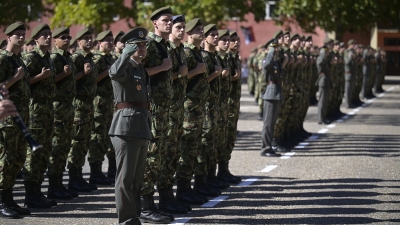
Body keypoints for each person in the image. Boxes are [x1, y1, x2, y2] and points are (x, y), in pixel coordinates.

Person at [109, 27, 152, 225]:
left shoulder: (139, 69)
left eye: (144, 45)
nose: (142, 48)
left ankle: (135, 215)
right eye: (138, 45)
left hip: (141, 126)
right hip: (126, 128)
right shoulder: (123, 66)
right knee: (125, 179)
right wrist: (124, 54)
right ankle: (127, 219)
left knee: (136, 179)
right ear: (128, 47)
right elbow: (114, 73)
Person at [139, 6, 174, 224]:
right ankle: (145, 206)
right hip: (152, 109)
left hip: (163, 109)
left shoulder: (164, 45)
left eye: (171, 20)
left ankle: (158, 202)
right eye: (165, 20)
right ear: (155, 23)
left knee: (159, 156)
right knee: (150, 157)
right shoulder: (149, 44)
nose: (169, 23)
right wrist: (161, 67)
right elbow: (134, 72)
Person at [22, 23, 57, 208]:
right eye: (44, 35)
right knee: (34, 154)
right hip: (35, 111)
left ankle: (37, 192)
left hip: (48, 110)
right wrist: (39, 77)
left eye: (50, 34)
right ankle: (30, 195)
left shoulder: (48, 58)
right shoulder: (31, 57)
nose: (49, 37)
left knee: (44, 153)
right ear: (36, 39)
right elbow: (21, 82)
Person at [175, 17, 210, 206]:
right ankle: (182, 190)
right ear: (189, 33)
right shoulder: (188, 53)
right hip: (189, 109)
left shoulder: (197, 53)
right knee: (187, 149)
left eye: (202, 28)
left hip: (197, 109)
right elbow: (180, 79)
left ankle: (188, 187)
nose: (201, 32)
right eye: (197, 29)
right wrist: (197, 71)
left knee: (194, 148)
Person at [159, 14, 191, 215]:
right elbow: (161, 76)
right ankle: (163, 197)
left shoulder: (180, 50)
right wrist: (180, 74)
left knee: (173, 154)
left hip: (179, 108)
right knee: (165, 154)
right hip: (166, 110)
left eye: (182, 27)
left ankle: (170, 195)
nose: (181, 30)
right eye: (177, 27)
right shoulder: (167, 50)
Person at [0, 22, 31, 218]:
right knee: (6, 159)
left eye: (23, 34)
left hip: (22, 116)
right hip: (7, 119)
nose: (21, 37)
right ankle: (1, 200)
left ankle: (9, 198)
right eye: (17, 34)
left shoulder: (19, 60)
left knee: (18, 158)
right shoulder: (3, 60)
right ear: (8, 37)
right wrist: (15, 78)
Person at [47, 27, 78, 200]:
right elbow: (49, 80)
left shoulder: (67, 57)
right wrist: (63, 74)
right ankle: (53, 186)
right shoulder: (54, 58)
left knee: (65, 145)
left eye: (68, 37)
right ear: (55, 40)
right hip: (57, 106)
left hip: (67, 106)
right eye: (62, 37)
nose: (66, 40)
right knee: (57, 146)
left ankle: (59, 183)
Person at [67, 28, 98, 193]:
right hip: (78, 104)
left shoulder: (89, 57)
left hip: (88, 104)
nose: (89, 40)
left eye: (90, 37)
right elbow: (68, 79)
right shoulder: (76, 58)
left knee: (84, 141)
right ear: (78, 41)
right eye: (85, 38)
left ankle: (78, 177)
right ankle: (73, 179)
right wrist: (83, 73)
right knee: (77, 142)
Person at [197, 23, 224, 196]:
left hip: (214, 105)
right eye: (212, 35)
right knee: (204, 144)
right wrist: (215, 74)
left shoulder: (214, 56)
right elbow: (198, 82)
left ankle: (209, 178)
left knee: (212, 143)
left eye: (217, 35)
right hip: (204, 106)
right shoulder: (203, 57)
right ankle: (201, 181)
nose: (216, 37)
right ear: (205, 38)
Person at [88, 30, 115, 186]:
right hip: (98, 102)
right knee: (97, 137)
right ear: (99, 44)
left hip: (109, 103)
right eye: (107, 40)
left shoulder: (110, 58)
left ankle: (105, 171)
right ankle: (95, 173)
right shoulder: (97, 59)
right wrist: (107, 72)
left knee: (106, 137)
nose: (110, 43)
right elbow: (92, 80)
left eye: (111, 40)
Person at [260, 39, 283, 157]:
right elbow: (265, 65)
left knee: (272, 123)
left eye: (277, 47)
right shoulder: (267, 60)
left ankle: (269, 146)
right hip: (270, 93)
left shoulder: (276, 62)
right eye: (274, 47)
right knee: (268, 123)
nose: (276, 50)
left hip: (277, 92)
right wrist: (270, 52)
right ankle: (265, 148)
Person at [316, 38, 333, 125]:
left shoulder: (326, 53)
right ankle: (320, 119)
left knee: (325, 101)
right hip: (323, 79)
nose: (332, 45)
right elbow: (319, 62)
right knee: (322, 101)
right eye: (330, 44)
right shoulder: (322, 53)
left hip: (326, 79)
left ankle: (323, 118)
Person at [344, 39, 357, 108]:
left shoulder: (353, 52)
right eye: (353, 44)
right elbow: (347, 62)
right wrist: (350, 56)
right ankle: (347, 104)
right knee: (348, 90)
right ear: (350, 45)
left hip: (352, 73)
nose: (354, 46)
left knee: (351, 90)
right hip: (348, 74)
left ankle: (350, 103)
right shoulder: (347, 52)